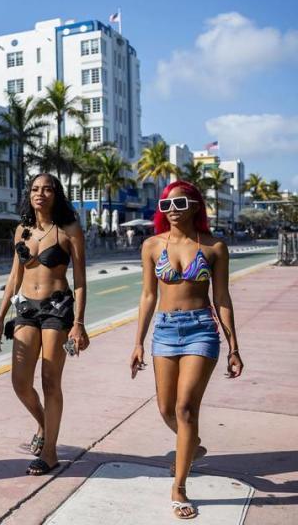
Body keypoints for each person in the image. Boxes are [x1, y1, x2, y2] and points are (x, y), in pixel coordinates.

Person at [130, 180, 243, 519]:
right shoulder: (151, 246)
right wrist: (137, 341)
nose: (173, 211)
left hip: (201, 331)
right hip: (164, 330)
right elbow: (149, 295)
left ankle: (179, 486)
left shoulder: (214, 247)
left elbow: (221, 298)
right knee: (165, 408)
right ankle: (191, 445)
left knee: (185, 408)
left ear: (195, 206)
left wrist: (233, 346)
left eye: (180, 204)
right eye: (166, 206)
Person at [0, 173, 89, 476]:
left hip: (57, 309)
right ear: (28, 194)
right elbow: (14, 277)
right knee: (20, 382)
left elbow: (81, 281)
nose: (40, 194)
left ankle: (50, 452)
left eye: (47, 189)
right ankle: (45, 424)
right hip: (26, 309)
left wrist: (79, 323)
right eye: (35, 189)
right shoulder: (22, 230)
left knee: (49, 380)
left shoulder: (69, 230)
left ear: (56, 194)